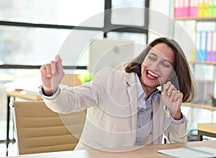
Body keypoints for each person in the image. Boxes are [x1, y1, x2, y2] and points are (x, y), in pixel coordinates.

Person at [39, 37, 196, 150]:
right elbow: (69, 102)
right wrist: (51, 89)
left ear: (173, 75)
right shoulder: (110, 80)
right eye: (152, 58)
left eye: (165, 64)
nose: (154, 67)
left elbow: (177, 145)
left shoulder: (162, 101)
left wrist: (176, 113)